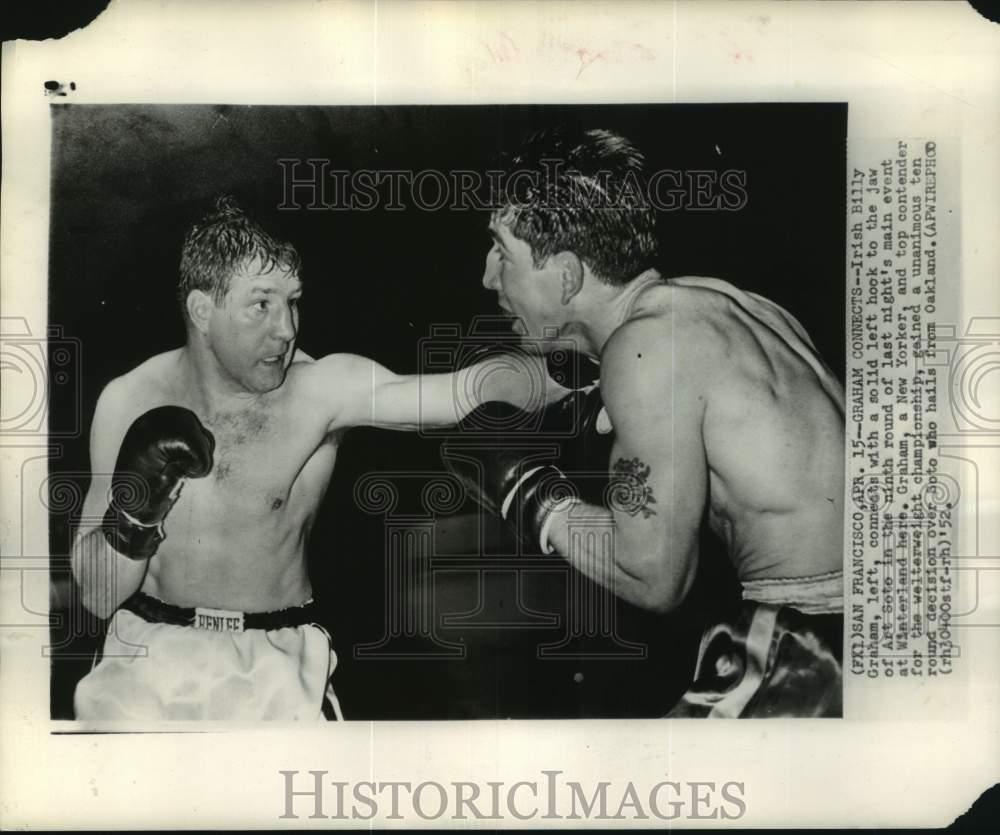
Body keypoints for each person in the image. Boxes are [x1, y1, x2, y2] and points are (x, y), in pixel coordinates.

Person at [71, 196, 560, 721]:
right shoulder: (130, 400)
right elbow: (98, 597)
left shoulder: (319, 391)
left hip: (274, 664)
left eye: (293, 302)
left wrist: (583, 370)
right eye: (262, 304)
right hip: (146, 656)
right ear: (201, 311)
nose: (286, 329)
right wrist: (135, 510)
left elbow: (462, 392)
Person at [443, 128, 846, 718]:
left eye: (502, 252)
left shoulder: (645, 351)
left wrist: (524, 493)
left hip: (811, 642)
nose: (487, 276)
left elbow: (652, 575)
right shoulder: (722, 304)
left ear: (567, 275)